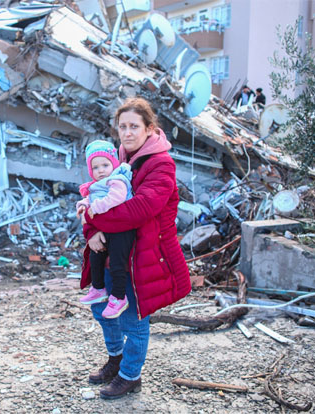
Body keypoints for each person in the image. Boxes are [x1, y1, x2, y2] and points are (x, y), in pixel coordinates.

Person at [80, 97, 191, 399]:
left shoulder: (162, 165)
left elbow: (139, 210)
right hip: (116, 251)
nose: (127, 133)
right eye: (122, 127)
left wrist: (93, 218)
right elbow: (94, 197)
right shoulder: (116, 160)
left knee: (133, 319)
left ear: (149, 128)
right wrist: (91, 231)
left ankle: (131, 375)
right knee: (102, 310)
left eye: (134, 126)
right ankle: (116, 361)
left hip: (146, 255)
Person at [76, 140, 135, 319]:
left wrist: (96, 208)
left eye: (105, 165)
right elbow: (90, 199)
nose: (100, 170)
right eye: (95, 167)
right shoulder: (96, 185)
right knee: (96, 256)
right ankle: (98, 288)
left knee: (117, 262)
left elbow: (115, 198)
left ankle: (118, 297)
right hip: (108, 230)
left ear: (114, 164)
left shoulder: (117, 179)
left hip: (123, 231)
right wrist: (82, 205)